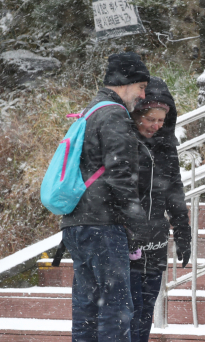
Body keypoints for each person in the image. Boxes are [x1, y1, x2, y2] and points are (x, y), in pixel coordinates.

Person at [60, 52, 151, 342]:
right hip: (103, 225)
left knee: (87, 306)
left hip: (78, 223)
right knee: (115, 307)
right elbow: (121, 175)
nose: (143, 95)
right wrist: (138, 226)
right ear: (125, 83)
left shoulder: (92, 111)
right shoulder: (114, 114)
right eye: (141, 87)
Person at [129, 77, 192, 342]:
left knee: (145, 311)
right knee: (127, 311)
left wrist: (182, 232)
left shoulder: (166, 147)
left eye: (161, 120)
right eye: (150, 119)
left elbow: (174, 191)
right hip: (127, 241)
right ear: (136, 115)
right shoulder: (123, 144)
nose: (156, 126)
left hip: (155, 239)